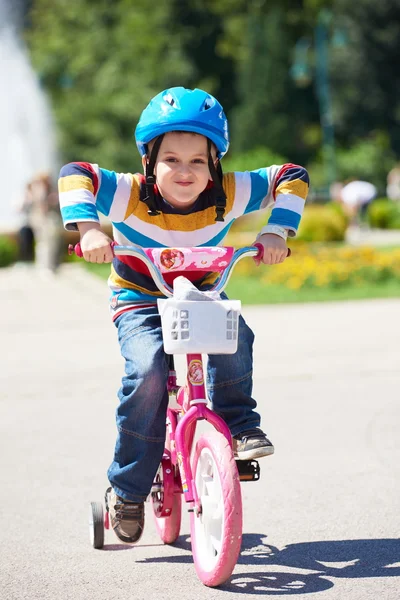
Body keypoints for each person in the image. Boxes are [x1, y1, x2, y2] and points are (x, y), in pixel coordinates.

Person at [58, 87, 309, 545]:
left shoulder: (229, 193)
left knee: (236, 337)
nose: (184, 171)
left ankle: (239, 425)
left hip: (200, 293)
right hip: (139, 296)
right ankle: (129, 489)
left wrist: (276, 229)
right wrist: (90, 228)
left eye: (198, 160)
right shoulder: (130, 195)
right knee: (148, 370)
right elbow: (76, 173)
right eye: (171, 158)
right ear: (149, 160)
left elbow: (291, 175)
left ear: (215, 163)